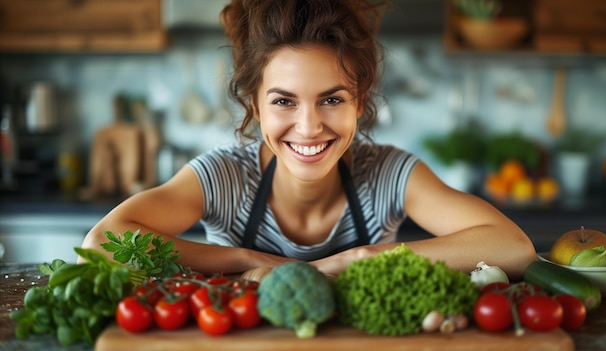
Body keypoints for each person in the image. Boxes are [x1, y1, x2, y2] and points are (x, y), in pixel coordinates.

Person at [80, 0, 536, 280]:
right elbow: (101, 243)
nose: (309, 126)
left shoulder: (391, 174)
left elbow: (514, 248)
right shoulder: (221, 177)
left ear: (360, 102)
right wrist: (240, 257)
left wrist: (362, 258)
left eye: (332, 99)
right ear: (255, 107)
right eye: (284, 102)